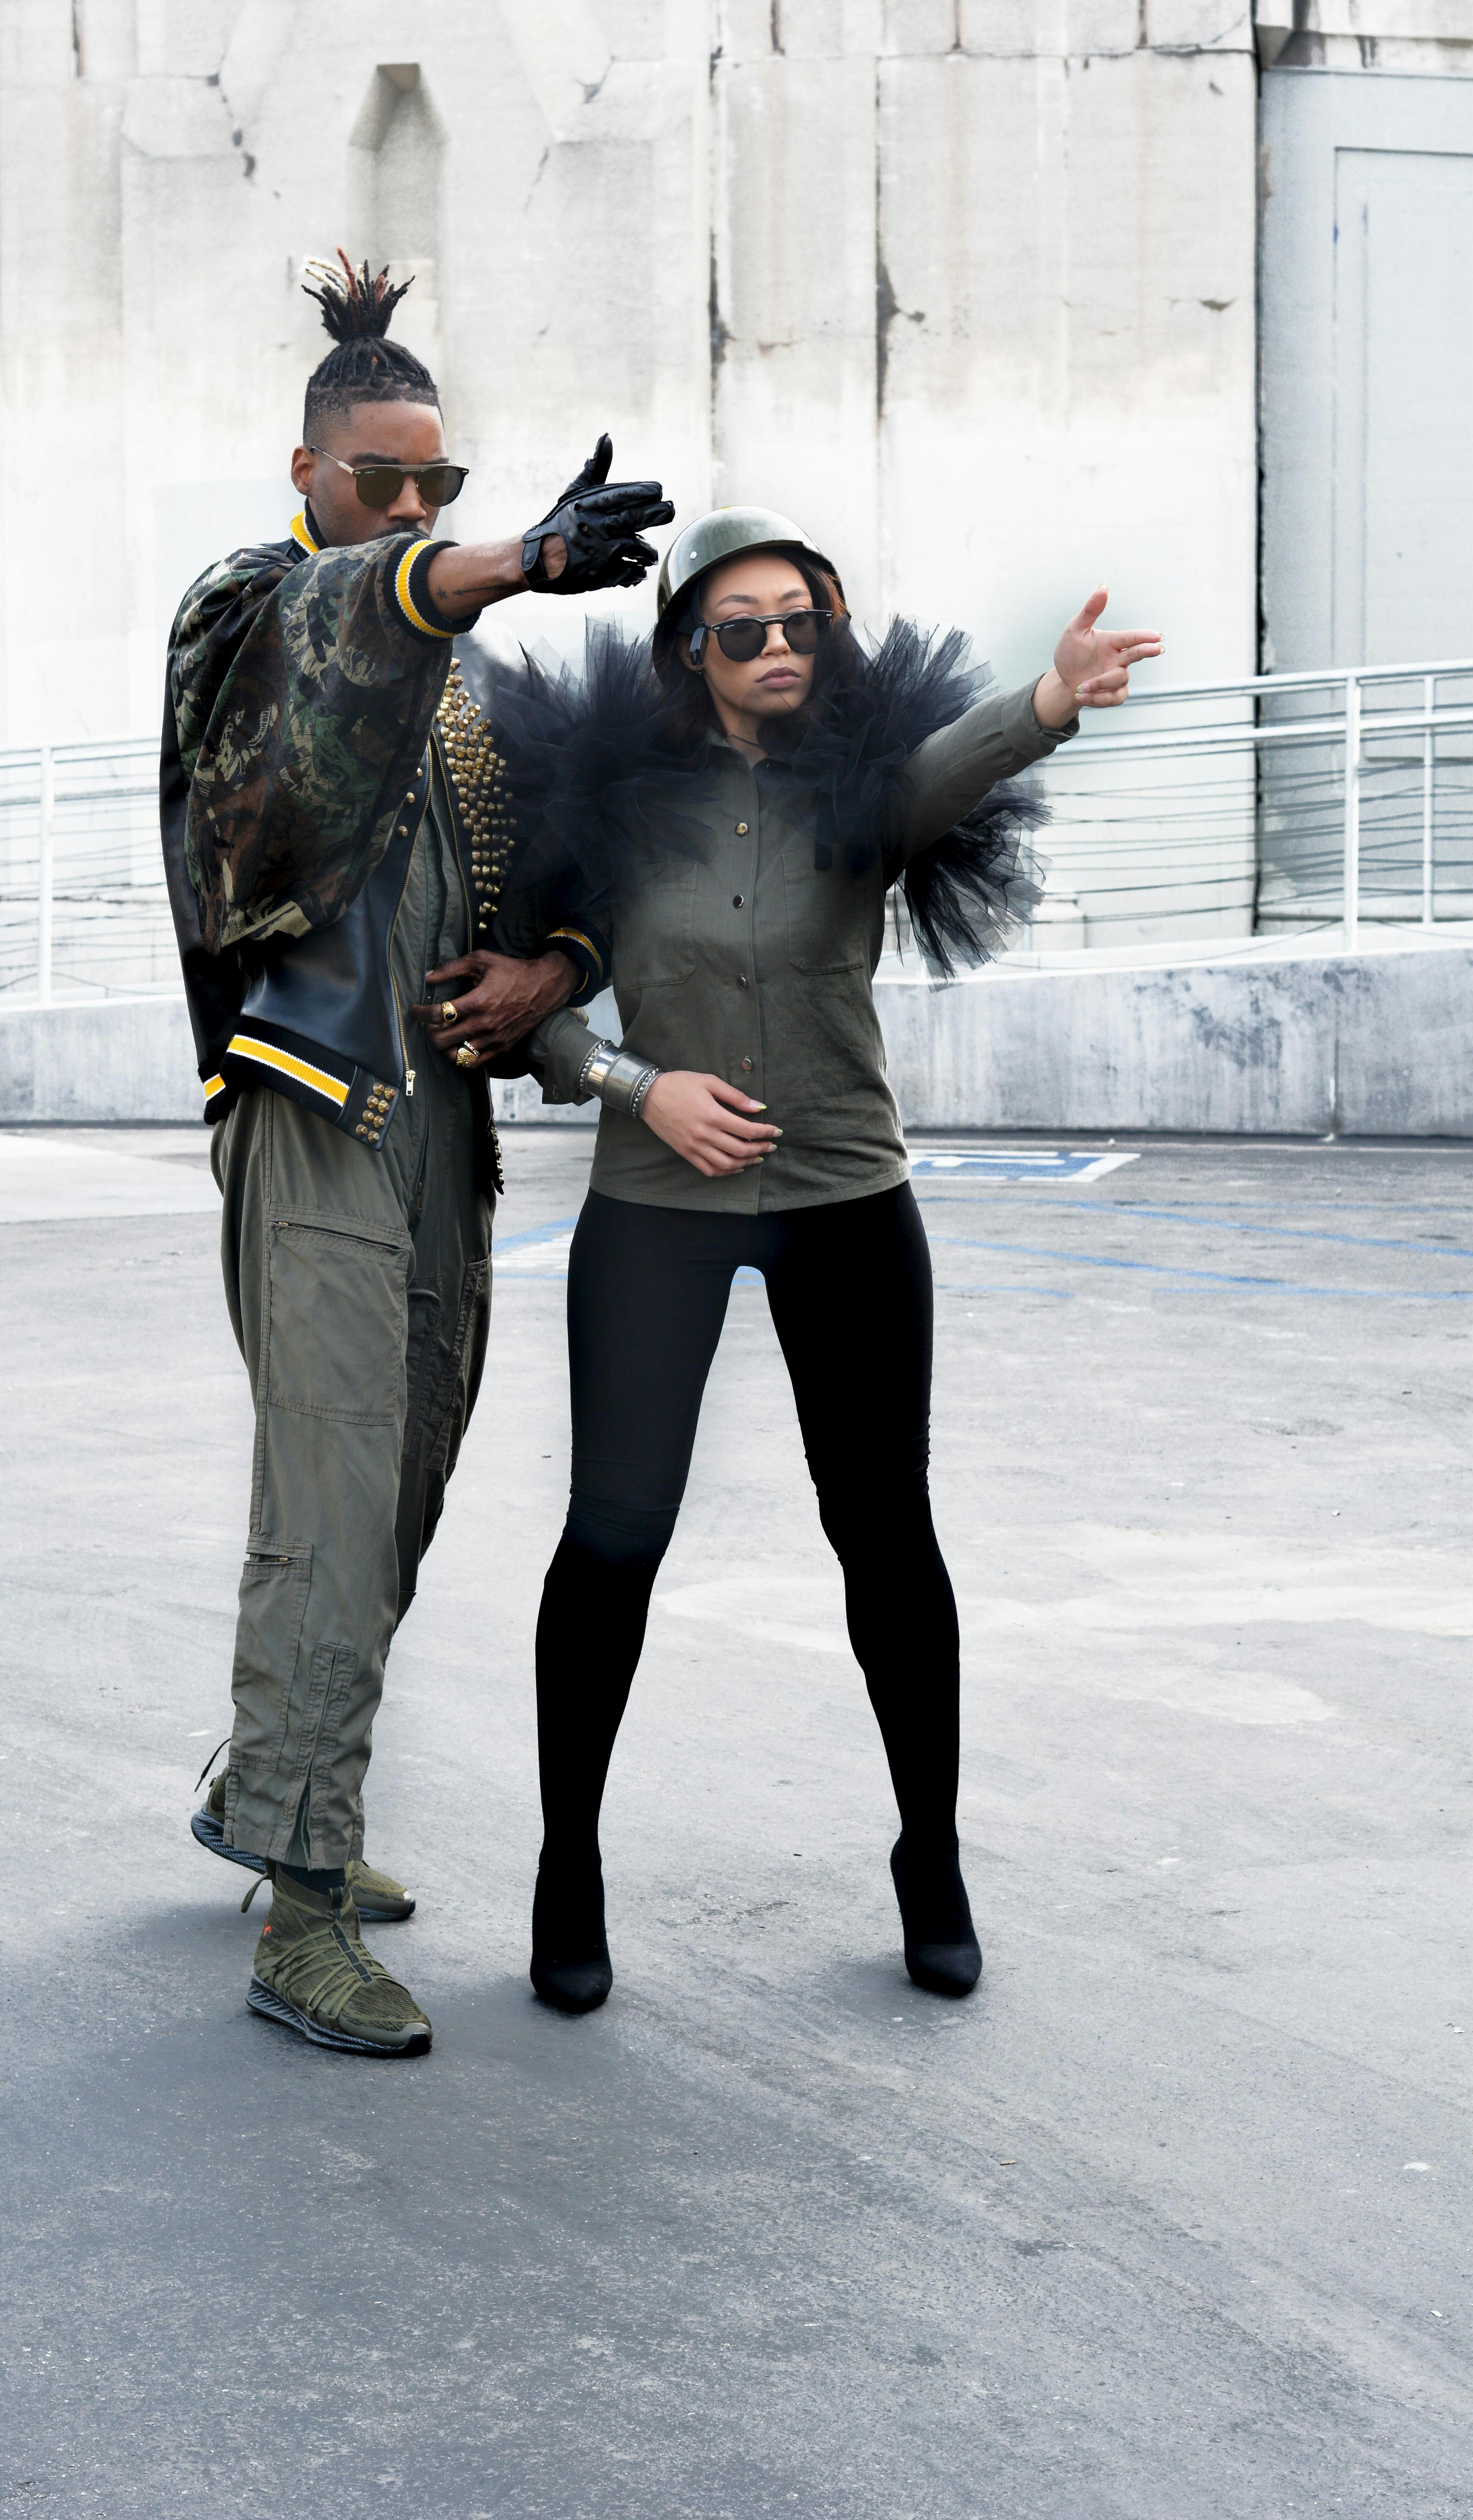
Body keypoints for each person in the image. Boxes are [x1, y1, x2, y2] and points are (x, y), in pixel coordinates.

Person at [482, 506, 1161, 2013]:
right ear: (689, 654)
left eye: (803, 622)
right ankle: (567, 1866)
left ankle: (932, 1858)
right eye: (744, 629)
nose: (780, 648)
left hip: (849, 1198)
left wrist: (1052, 699)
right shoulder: (608, 794)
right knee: (612, 1542)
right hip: (656, 1204)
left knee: (888, 1542)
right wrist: (633, 1084)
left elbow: (952, 770)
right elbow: (533, 998)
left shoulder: (861, 787)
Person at [158, 250, 672, 2055]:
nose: (402, 505)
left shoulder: (463, 697)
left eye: (433, 482)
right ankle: (301, 1900)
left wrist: (563, 966)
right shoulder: (252, 611)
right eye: (376, 476)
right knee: (329, 1494)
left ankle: (262, 1783)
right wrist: (510, 556)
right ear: (305, 475)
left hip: (442, 1131)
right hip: (312, 1109)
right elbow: (345, 638)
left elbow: (542, 894)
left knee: (399, 1490)